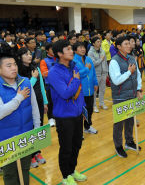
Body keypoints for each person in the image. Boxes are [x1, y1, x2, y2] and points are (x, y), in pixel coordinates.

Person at [0, 53, 40, 185]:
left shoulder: (25, 82)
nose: (14, 68)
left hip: (25, 135)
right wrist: (19, 98)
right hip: (5, 139)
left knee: (25, 169)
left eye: (15, 64)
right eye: (8, 65)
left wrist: (37, 128)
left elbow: (34, 106)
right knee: (10, 173)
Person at [47, 40, 87, 185]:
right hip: (64, 117)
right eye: (68, 49)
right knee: (66, 148)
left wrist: (81, 108)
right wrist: (76, 80)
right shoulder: (54, 72)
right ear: (59, 54)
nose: (72, 51)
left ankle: (72, 170)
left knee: (77, 145)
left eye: (71, 48)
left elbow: (78, 92)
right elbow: (65, 93)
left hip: (77, 114)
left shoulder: (74, 67)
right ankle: (65, 176)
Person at [109, 36, 142, 158]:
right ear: (118, 46)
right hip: (120, 96)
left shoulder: (132, 58)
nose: (129, 46)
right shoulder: (114, 61)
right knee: (119, 123)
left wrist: (138, 89)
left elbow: (138, 75)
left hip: (132, 94)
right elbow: (116, 80)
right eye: (126, 44)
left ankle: (129, 141)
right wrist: (129, 72)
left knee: (130, 120)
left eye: (129, 43)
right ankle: (118, 146)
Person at [16, 48, 48, 168]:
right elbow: (25, 88)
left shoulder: (36, 68)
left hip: (39, 101)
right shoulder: (18, 72)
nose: (29, 56)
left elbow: (41, 86)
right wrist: (33, 78)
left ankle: (37, 152)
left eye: (30, 54)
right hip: (26, 104)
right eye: (26, 54)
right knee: (29, 129)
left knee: (37, 128)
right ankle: (29, 155)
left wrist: (45, 102)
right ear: (20, 57)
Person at [73, 42, 98, 135]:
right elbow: (77, 75)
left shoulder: (88, 59)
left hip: (90, 89)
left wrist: (95, 83)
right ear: (75, 50)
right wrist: (86, 69)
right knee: (80, 112)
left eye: (83, 47)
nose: (83, 49)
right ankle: (78, 131)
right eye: (80, 47)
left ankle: (87, 126)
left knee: (89, 109)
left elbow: (93, 72)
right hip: (80, 91)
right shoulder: (73, 61)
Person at [88, 37, 108, 113]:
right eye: (98, 41)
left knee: (102, 89)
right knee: (95, 91)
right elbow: (93, 63)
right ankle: (94, 105)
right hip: (96, 73)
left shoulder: (102, 51)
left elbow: (105, 62)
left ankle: (101, 103)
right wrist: (101, 59)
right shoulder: (90, 52)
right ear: (93, 43)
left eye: (100, 41)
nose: (100, 43)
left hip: (103, 73)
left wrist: (106, 72)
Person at [39, 43, 56, 127]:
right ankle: (50, 118)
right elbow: (44, 73)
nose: (54, 50)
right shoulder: (44, 61)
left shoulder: (59, 59)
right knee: (50, 102)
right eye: (52, 49)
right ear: (47, 50)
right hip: (50, 85)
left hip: (59, 84)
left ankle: (56, 116)